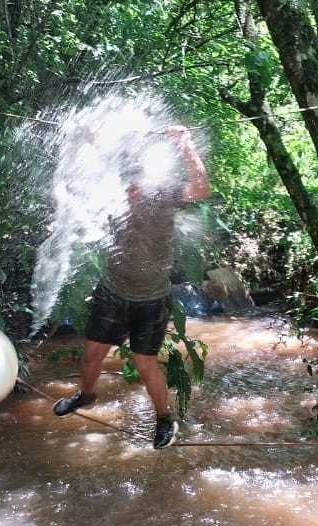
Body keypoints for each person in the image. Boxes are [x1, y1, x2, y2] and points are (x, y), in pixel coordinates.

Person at [51, 125, 211, 449]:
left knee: (144, 363)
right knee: (91, 356)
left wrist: (185, 144)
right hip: (112, 290)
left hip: (151, 299)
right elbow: (94, 168)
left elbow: (201, 188)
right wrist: (88, 138)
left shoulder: (165, 196)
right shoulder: (112, 194)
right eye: (126, 185)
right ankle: (86, 395)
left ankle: (164, 419)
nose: (130, 191)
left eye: (136, 184)